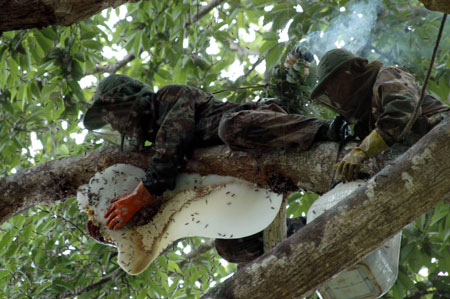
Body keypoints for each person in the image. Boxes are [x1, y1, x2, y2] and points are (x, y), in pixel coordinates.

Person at [83, 73, 350, 232]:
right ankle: (305, 229)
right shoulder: (152, 148)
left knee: (229, 127)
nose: (115, 124)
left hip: (257, 126)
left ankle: (325, 130)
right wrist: (109, 224)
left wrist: (137, 197)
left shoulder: (170, 97)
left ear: (129, 102)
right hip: (254, 180)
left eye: (114, 115)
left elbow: (172, 146)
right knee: (231, 248)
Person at [311, 48, 450, 182]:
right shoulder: (364, 114)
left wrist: (362, 151)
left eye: (334, 84)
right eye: (327, 90)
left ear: (350, 72)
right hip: (427, 158)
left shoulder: (387, 75)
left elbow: (402, 113)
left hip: (442, 132)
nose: (333, 93)